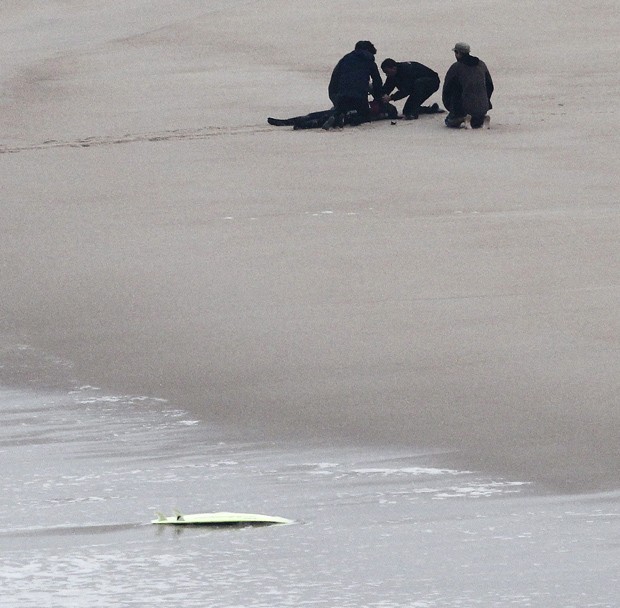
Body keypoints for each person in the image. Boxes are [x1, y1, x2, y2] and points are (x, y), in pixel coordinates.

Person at [323, 40, 383, 130]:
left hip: (342, 94)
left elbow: (334, 79)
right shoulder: (370, 62)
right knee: (364, 115)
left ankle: (339, 114)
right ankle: (352, 117)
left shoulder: (344, 59)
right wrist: (378, 99)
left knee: (342, 107)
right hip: (359, 95)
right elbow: (377, 81)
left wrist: (335, 98)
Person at [442, 42, 494, 129]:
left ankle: (463, 118)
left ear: (458, 53)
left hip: (464, 106)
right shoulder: (481, 64)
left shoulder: (456, 67)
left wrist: (451, 107)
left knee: (449, 121)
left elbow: (447, 88)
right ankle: (482, 118)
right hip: (483, 106)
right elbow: (490, 86)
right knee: (476, 118)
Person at [267, 99, 398, 130]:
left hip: (351, 112)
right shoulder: (377, 106)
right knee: (318, 115)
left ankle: (300, 124)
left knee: (321, 117)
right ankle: (293, 122)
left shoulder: (383, 111)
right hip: (349, 109)